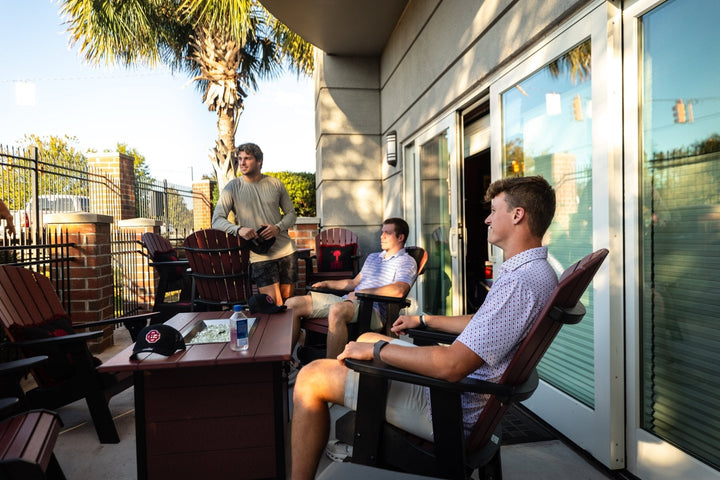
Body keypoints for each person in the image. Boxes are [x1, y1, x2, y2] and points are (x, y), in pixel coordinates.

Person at [290, 176, 558, 479]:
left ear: (517, 214)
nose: (487, 219)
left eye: (494, 211)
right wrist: (424, 320)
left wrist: (380, 349)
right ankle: (356, 404)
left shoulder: (519, 283)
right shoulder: (533, 272)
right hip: (463, 394)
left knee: (311, 377)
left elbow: (452, 365)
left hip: (448, 406)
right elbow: (482, 321)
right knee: (365, 336)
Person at [285, 217, 417, 360]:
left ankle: (330, 370)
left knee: (337, 309)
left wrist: (361, 293)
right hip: (349, 301)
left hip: (372, 310)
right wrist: (327, 283)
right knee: (292, 304)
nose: (382, 236)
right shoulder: (373, 257)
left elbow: (399, 290)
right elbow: (354, 283)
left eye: (387, 233)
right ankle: (286, 362)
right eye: (382, 232)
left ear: (400, 237)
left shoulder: (406, 261)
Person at [212, 143, 298, 305]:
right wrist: (238, 229)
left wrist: (277, 227)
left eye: (247, 158)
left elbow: (291, 215)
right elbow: (217, 220)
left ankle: (295, 331)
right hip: (260, 255)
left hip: (286, 251)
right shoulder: (232, 188)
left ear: (259, 161)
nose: (242, 163)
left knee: (289, 304)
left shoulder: (275, 184)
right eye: (240, 159)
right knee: (274, 304)